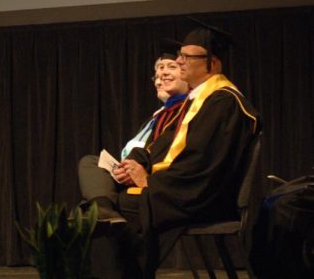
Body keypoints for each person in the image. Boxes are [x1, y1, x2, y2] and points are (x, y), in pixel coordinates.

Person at [95, 24, 261, 277]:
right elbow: (163, 145)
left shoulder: (223, 102)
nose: (180, 62)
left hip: (204, 196)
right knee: (104, 211)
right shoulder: (199, 101)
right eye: (180, 56)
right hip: (182, 188)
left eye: (188, 57)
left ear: (212, 64)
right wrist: (138, 164)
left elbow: (202, 164)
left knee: (120, 208)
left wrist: (151, 182)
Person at [78, 52, 189, 222]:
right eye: (157, 75)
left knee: (86, 207)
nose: (161, 78)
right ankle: (102, 207)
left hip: (152, 177)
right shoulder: (155, 118)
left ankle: (101, 209)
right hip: (127, 172)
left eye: (171, 67)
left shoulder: (189, 112)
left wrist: (139, 170)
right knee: (90, 162)